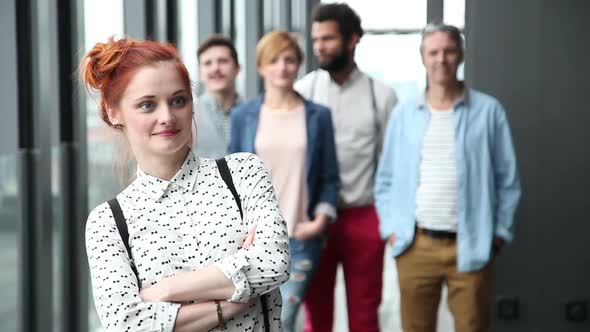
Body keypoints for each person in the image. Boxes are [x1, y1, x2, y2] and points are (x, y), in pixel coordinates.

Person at [81, 37, 290, 332]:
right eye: (147, 105)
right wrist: (234, 300)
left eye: (178, 100)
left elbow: (274, 262)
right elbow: (126, 325)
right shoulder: (108, 223)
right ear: (114, 112)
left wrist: (165, 292)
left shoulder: (243, 173)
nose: (166, 117)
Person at [374, 22, 522, 332]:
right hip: (416, 245)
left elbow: (507, 180)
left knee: (473, 327)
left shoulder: (489, 111)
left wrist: (498, 234)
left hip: (472, 244)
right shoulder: (404, 115)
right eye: (434, 52)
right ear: (424, 58)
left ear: (460, 55)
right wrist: (391, 228)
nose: (441, 59)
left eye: (449, 51)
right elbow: (385, 179)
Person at [294, 3, 397, 332]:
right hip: (315, 220)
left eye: (328, 39)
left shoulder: (380, 96)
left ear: (353, 40)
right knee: (316, 314)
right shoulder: (303, 91)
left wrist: (389, 218)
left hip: (362, 216)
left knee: (366, 313)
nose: (319, 47)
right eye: (316, 39)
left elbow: (391, 163)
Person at [229, 31, 340, 332]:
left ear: (298, 65)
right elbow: (233, 178)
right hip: (254, 240)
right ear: (261, 66)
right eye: (274, 60)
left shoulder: (318, 116)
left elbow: (330, 177)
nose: (282, 67)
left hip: (301, 239)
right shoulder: (243, 116)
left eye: (289, 60)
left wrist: (319, 221)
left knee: (283, 319)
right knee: (255, 321)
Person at [192, 35, 241, 159]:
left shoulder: (255, 113)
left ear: (237, 68)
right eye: (208, 63)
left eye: (223, 61)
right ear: (200, 72)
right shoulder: (190, 115)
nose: (215, 68)